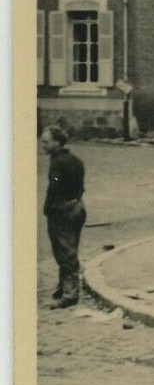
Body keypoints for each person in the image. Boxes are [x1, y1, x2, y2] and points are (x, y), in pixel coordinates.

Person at [40, 126, 86, 309]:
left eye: (46, 142)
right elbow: (80, 185)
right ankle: (62, 288)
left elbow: (55, 186)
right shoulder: (75, 160)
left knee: (65, 252)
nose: (42, 145)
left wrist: (48, 207)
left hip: (62, 210)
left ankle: (70, 294)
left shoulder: (57, 163)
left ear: (57, 142)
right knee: (69, 248)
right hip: (77, 206)